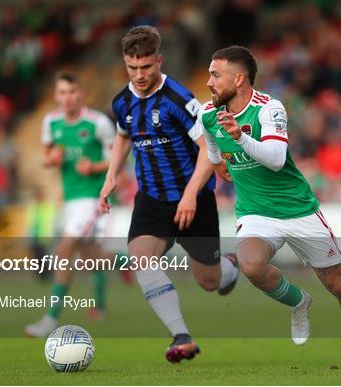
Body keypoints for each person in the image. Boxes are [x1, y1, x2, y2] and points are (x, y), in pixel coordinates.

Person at [199, 45, 341, 368]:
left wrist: (241, 138)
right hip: (256, 213)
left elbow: (275, 160)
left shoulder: (269, 108)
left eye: (216, 75)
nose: (209, 82)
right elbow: (214, 152)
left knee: (338, 285)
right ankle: (299, 302)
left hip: (298, 210)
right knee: (252, 266)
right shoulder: (207, 115)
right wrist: (219, 166)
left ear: (239, 78)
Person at [100, 26, 239, 363]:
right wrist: (111, 176)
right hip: (151, 198)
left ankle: (229, 268)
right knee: (140, 256)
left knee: (208, 281)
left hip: (194, 196)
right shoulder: (122, 101)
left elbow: (208, 149)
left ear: (158, 60)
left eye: (146, 67)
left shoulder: (179, 99)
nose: (139, 74)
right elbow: (122, 136)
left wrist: (191, 194)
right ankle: (181, 335)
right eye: (132, 68)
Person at [24, 71, 115, 337]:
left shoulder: (98, 122)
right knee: (92, 258)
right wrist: (51, 159)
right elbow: (46, 156)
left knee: (64, 249)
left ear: (81, 94)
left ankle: (50, 318)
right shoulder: (51, 122)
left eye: (72, 92)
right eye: (62, 92)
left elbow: (117, 157)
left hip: (92, 198)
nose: (67, 98)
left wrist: (95, 165)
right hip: (70, 200)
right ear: (56, 95)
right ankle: (136, 261)